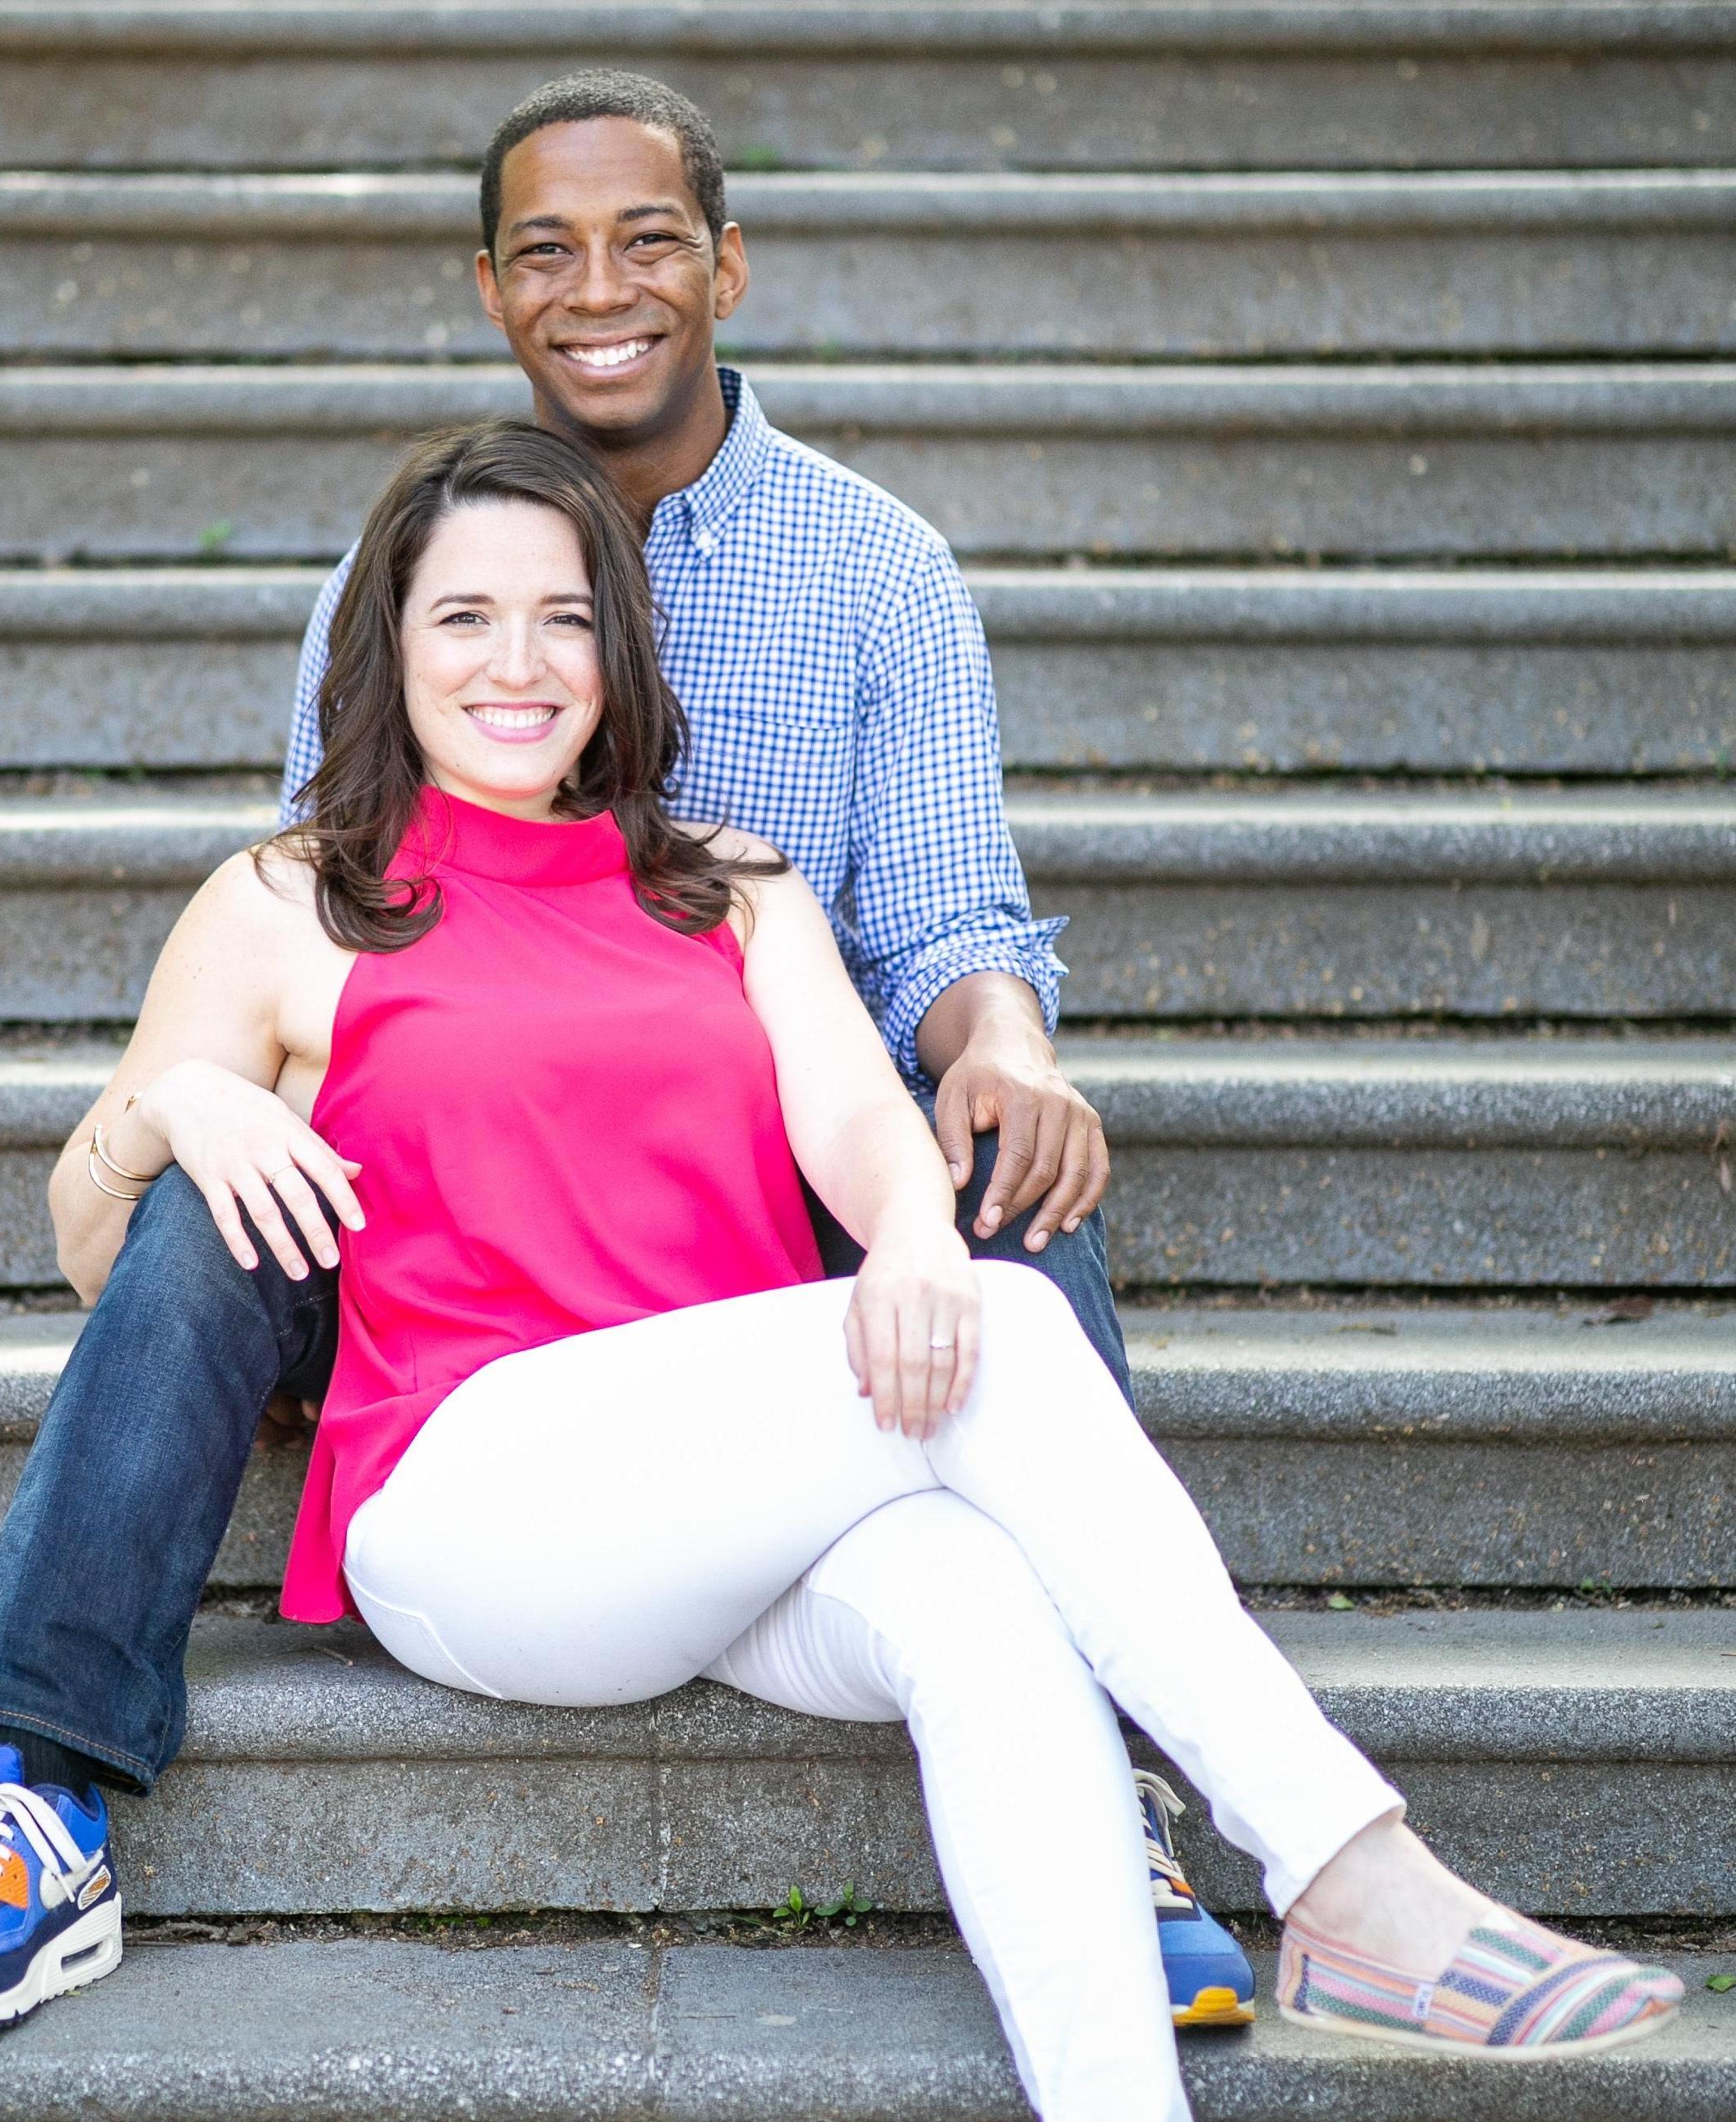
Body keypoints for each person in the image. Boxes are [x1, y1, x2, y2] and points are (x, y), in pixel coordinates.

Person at [0, 423, 1680, 2120]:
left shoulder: (730, 886)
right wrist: (177, 1099)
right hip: (470, 1505)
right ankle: (1348, 1878)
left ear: (620, 651)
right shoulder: (288, 897)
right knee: (1019, 1346)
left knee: (979, 1602)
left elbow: (862, 1123)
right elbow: (107, 1260)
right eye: (465, 615)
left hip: (724, 1516)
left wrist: (898, 1228)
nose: (517, 661)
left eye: (564, 617)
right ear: (386, 647)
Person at [276, 67, 1254, 2017]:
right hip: (479, 1197)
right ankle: (41, 1754)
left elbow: (956, 920)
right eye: (546, 250)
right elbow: (335, 904)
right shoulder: (400, 575)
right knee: (212, 1194)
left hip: (776, 1169)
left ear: (725, 263)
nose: (600, 285)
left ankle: (1115, 1782)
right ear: (489, 290)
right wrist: (197, 1106)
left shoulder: (874, 564)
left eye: (648, 238)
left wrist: (1005, 1048)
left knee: (1011, 1195)